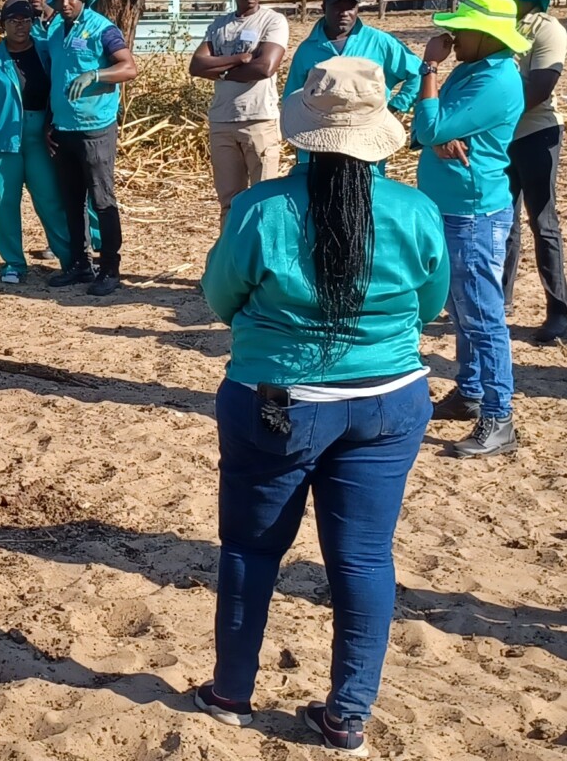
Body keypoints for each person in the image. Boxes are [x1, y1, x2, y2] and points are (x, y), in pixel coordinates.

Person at [193, 57, 451, 755]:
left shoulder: (260, 210)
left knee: (251, 549)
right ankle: (347, 713)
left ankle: (231, 692)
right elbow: (430, 306)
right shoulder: (417, 211)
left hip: (276, 401)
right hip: (389, 400)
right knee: (364, 559)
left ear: (304, 130)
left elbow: (220, 301)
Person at [412, 0, 531, 458]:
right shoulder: (475, 70)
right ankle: (470, 392)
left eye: (462, 29)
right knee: (464, 310)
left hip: (472, 210)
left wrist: (429, 71)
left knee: (482, 315)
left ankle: (499, 417)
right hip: (456, 204)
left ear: (486, 35)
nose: (452, 34)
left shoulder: (495, 80)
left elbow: (428, 125)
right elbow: (427, 121)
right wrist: (437, 132)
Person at [39, 0, 139, 295]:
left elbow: (129, 67)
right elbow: (55, 79)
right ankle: (79, 264)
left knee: (102, 200)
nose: (66, 2)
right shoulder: (55, 32)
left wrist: (97, 74)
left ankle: (109, 268)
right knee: (71, 200)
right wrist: (50, 122)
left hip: (95, 129)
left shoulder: (102, 29)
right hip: (64, 129)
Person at [0, 0, 76, 285]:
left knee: (50, 197)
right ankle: (13, 262)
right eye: (12, 20)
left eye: (25, 19)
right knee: (4, 201)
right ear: (3, 24)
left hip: (39, 135)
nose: (20, 25)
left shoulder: (46, 52)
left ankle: (70, 260)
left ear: (32, 22)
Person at [495, 0, 567, 344]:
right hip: (502, 135)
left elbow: (540, 88)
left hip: (536, 132)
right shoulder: (499, 24)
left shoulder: (547, 30)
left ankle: (559, 310)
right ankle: (501, 300)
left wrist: (491, 113)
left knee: (542, 221)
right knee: (502, 219)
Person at [190, 0, 291, 215]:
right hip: (222, 119)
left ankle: (261, 254)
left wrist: (220, 72)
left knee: (263, 202)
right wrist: (238, 60)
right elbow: (196, 64)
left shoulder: (273, 21)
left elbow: (265, 67)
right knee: (229, 203)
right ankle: (231, 254)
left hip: (259, 119)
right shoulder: (219, 25)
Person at [280, 0, 420, 136]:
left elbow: (418, 73)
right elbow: (291, 97)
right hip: (319, 137)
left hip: (368, 135)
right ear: (323, 8)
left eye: (350, 7)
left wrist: (395, 106)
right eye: (337, 7)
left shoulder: (379, 42)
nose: (344, 13)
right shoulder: (307, 50)